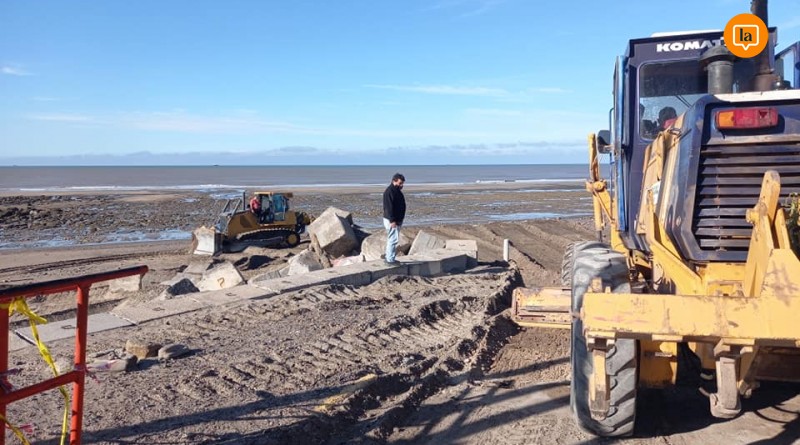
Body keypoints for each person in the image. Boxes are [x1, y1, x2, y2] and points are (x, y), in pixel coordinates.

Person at [382, 173, 406, 265]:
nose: (401, 185)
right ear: (394, 181)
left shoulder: (396, 191)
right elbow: (388, 208)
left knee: (392, 239)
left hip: (396, 220)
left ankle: (389, 257)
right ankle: (390, 260)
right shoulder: (389, 192)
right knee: (393, 240)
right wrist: (392, 221)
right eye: (400, 183)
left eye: (402, 183)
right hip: (392, 220)